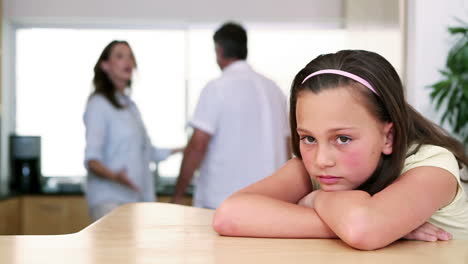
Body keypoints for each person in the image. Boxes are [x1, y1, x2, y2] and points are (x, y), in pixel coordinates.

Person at [213, 50, 468, 250]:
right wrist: (383, 227)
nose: (321, 160)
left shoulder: (432, 166)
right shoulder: (314, 166)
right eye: (309, 138)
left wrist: (316, 199)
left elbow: (362, 229)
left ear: (388, 136)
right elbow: (230, 215)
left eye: (343, 139)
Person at [171, 22, 290, 209]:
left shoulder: (217, 88)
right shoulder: (273, 89)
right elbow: (287, 145)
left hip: (222, 203)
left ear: (218, 50)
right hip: (270, 203)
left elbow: (197, 145)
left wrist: (178, 195)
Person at [84, 40, 182, 221]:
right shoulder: (99, 104)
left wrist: (184, 149)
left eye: (130, 57)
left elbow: (147, 152)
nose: (128, 62)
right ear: (105, 65)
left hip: (132, 200)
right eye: (120, 56)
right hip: (109, 200)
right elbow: (92, 160)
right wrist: (115, 176)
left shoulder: (130, 106)